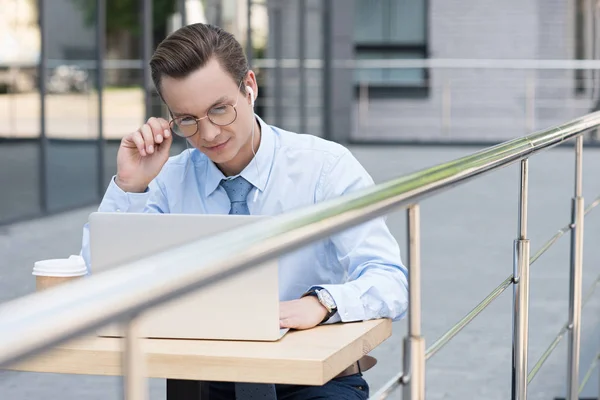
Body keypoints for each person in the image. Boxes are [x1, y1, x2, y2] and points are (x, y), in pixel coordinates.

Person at [80, 23, 408, 400]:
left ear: (249, 86)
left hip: (314, 382)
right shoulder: (167, 180)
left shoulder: (325, 168)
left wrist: (321, 302)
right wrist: (130, 185)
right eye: (187, 119)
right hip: (203, 380)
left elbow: (390, 281)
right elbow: (98, 290)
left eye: (220, 109)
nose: (209, 134)